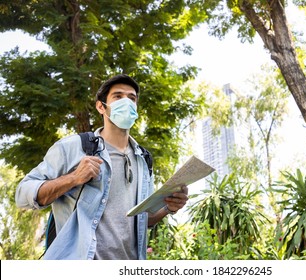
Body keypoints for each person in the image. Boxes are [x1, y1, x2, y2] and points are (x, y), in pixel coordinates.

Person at [15, 74, 188, 260]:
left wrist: (169, 208)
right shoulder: (73, 147)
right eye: (118, 96)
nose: (127, 102)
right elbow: (22, 195)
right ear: (101, 106)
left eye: (132, 98)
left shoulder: (144, 160)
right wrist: (73, 178)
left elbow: (140, 221)